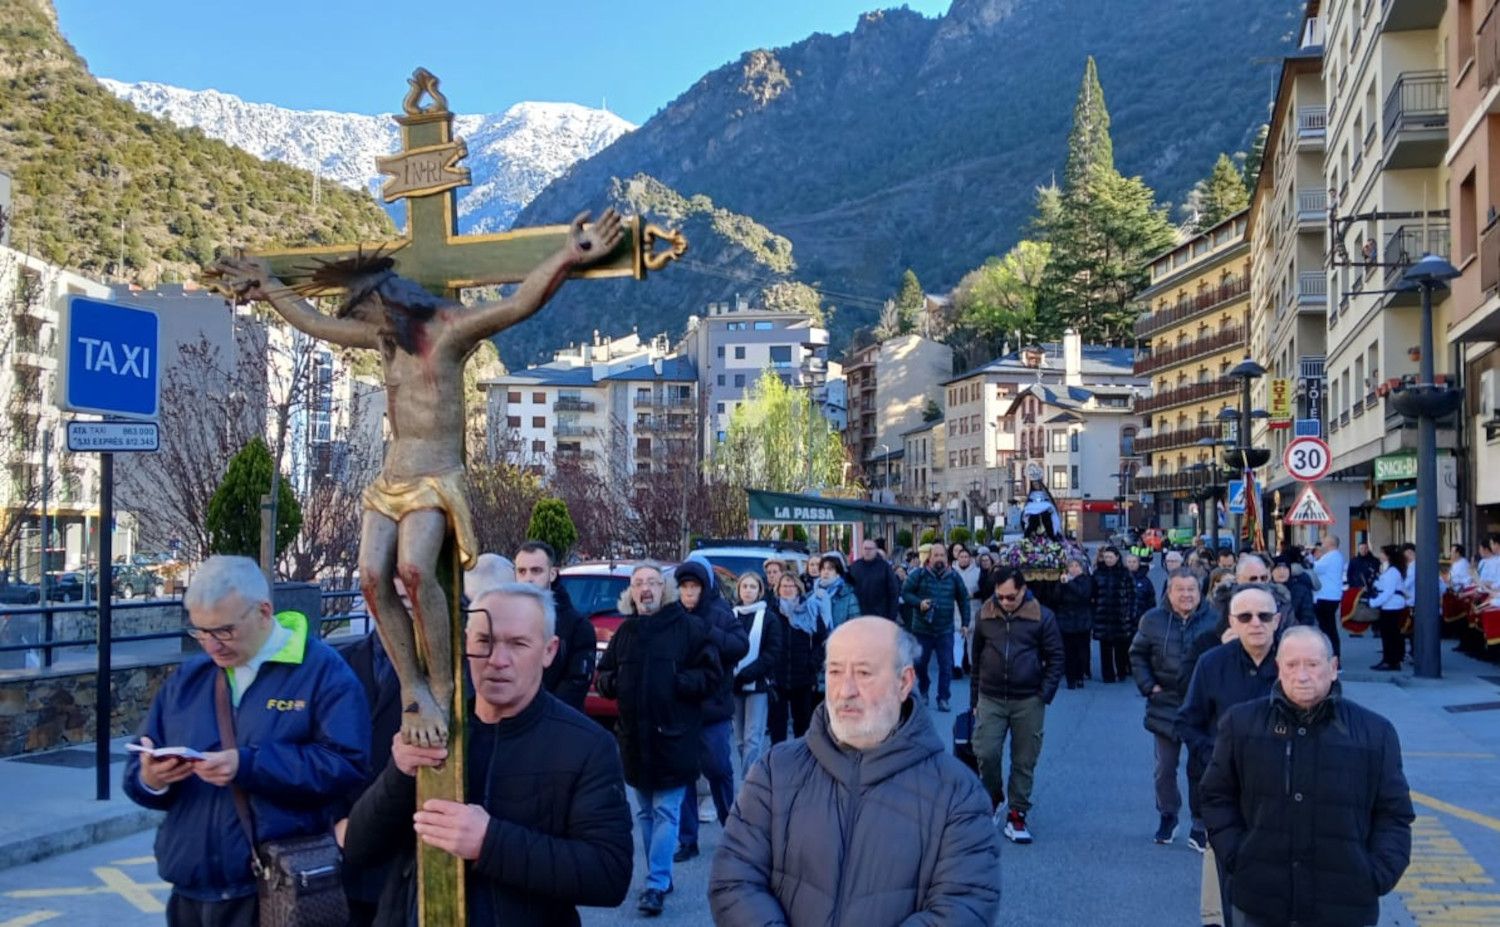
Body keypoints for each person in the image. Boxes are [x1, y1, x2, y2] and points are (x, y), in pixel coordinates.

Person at [209, 210, 624, 749]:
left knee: (412, 569)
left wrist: (569, 255)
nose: (366, 327)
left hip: (435, 477)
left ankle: (442, 681)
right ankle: (414, 687)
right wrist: (269, 287)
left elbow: (518, 303)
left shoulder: (449, 333)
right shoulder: (385, 340)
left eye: (370, 313)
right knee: (369, 579)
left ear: (390, 300)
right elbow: (316, 323)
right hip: (391, 479)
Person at [342, 584, 633, 926]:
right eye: (484, 641)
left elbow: (609, 874)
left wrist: (489, 841)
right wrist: (400, 773)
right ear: (466, 643)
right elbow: (359, 846)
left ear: (549, 651)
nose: (497, 660)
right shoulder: (432, 729)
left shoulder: (587, 746)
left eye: (518, 644)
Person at [124, 556, 370, 927]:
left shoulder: (323, 671)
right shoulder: (188, 680)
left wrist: (249, 765)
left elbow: (348, 765)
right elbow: (137, 770)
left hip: (272, 890)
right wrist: (152, 780)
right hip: (190, 891)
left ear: (264, 611)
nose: (211, 645)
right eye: (201, 632)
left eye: (224, 630)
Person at [709, 618, 1001, 927]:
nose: (845, 690)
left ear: (904, 683)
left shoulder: (958, 792)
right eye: (835, 671)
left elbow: (964, 903)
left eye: (863, 673)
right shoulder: (775, 771)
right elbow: (734, 878)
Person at [1201, 627, 1414, 927]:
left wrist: (1376, 874)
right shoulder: (1241, 724)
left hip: (1345, 907)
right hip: (1261, 901)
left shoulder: (1375, 732)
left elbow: (1394, 813)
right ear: (1279, 669)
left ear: (1333, 667)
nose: (1302, 675)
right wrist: (1239, 857)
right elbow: (1215, 796)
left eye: (1312, 665)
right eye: (1292, 665)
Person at [594, 564, 721, 917]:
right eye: (638, 583)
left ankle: (655, 883)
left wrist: (680, 683)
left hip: (674, 737)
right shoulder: (626, 632)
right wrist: (613, 685)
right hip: (635, 739)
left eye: (652, 582)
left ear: (663, 589)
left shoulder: (689, 627)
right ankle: (660, 877)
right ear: (630, 592)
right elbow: (604, 673)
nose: (645, 589)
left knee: (666, 810)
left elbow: (712, 674)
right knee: (646, 812)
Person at [1177, 583, 1283, 926]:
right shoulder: (1211, 663)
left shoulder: (1293, 663)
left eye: (1264, 616)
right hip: (1225, 785)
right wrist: (1217, 756)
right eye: (1246, 616)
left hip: (1283, 787)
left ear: (1277, 620)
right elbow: (1188, 721)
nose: (1256, 623)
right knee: (1224, 866)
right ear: (1232, 623)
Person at [970, 567, 1063, 844]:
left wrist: (1044, 694)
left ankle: (1017, 814)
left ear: (1023, 590)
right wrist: (974, 700)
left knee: (1024, 760)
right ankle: (993, 796)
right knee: (985, 752)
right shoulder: (985, 614)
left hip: (1028, 699)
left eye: (1011, 596)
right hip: (991, 696)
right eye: (1000, 597)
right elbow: (977, 659)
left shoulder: (1042, 616)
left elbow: (1056, 657)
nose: (1005, 602)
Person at [1129, 569, 1215, 847]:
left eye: (1192, 589)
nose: (1187, 595)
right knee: (1165, 768)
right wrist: (1148, 685)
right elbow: (1137, 654)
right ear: (1169, 591)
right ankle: (1168, 815)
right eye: (1181, 589)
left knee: (1201, 767)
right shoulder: (1152, 620)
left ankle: (1200, 823)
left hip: (1202, 706)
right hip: (1164, 703)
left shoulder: (1214, 620)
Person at [673, 559, 749, 863]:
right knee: (684, 776)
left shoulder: (720, 613)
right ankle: (687, 840)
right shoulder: (673, 616)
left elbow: (739, 645)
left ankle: (732, 833)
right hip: (681, 709)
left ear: (704, 588)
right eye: (684, 587)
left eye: (694, 587)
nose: (689, 593)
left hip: (714, 708)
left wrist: (709, 632)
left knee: (719, 770)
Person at [513, 541, 596, 712]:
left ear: (552, 574)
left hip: (557, 725)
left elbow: (576, 683)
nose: (528, 578)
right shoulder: (505, 620)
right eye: (521, 571)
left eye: (536, 570)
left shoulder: (577, 626)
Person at [901, 543, 972, 711]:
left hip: (945, 629)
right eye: (936, 555)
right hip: (922, 629)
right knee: (920, 665)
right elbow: (905, 592)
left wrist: (965, 623)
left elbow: (963, 599)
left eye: (942, 555)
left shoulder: (954, 577)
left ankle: (943, 698)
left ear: (947, 558)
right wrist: (919, 603)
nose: (939, 558)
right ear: (930, 558)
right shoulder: (918, 575)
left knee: (946, 665)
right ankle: (924, 689)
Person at [730, 572, 783, 777]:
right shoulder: (730, 615)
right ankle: (750, 776)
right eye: (745, 587)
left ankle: (748, 785)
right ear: (739, 590)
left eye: (753, 587)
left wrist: (748, 673)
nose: (748, 591)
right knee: (740, 739)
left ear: (760, 591)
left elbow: (772, 652)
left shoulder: (769, 617)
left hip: (758, 684)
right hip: (733, 685)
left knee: (753, 738)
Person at [767, 572, 828, 744]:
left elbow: (821, 641)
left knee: (803, 726)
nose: (787, 589)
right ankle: (777, 763)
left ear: (798, 588)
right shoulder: (771, 611)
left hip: (803, 676)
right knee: (777, 727)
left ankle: (801, 762)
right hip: (777, 677)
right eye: (784, 586)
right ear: (778, 589)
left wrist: (812, 664)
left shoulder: (809, 610)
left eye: (791, 586)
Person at [1091, 546, 1136, 683]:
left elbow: (1132, 595)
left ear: (1117, 557)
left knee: (1121, 647)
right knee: (1105, 648)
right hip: (1103, 615)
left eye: (1111, 557)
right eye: (1106, 557)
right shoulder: (1098, 573)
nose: (1108, 560)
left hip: (1120, 616)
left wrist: (1129, 613)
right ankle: (1108, 675)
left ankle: (1121, 671)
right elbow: (1093, 595)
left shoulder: (1125, 573)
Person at [1054, 557, 1095, 688]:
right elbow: (1056, 598)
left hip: (1082, 619)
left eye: (1076, 566)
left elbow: (1083, 594)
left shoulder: (1086, 580)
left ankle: (1080, 675)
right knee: (1068, 651)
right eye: (1071, 566)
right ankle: (1070, 678)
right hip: (1066, 619)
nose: (1074, 569)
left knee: (1081, 650)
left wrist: (1069, 583)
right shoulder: (1063, 581)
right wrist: (1060, 585)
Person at [1369, 545, 1409, 672]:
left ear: (1388, 556)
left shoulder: (1392, 571)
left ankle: (1391, 660)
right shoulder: (1390, 570)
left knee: (1390, 634)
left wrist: (1374, 602)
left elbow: (1388, 592)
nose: (1380, 556)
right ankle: (1390, 659)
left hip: (1392, 605)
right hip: (1390, 605)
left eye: (1382, 553)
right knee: (1390, 634)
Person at [848, 538, 902, 621]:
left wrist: (891, 616)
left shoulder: (884, 567)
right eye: (865, 548)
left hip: (880, 616)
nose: (867, 551)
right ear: (862, 550)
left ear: (876, 550)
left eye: (870, 549)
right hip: (858, 615)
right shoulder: (855, 567)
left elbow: (893, 592)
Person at [1311, 535, 1347, 658]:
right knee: (1327, 627)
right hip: (1329, 596)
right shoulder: (1334, 556)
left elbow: (1315, 568)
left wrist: (1310, 558)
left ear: (1330, 543)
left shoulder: (1331, 557)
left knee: (1328, 628)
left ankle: (1333, 656)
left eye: (1324, 542)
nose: (1322, 544)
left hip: (1326, 597)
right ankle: (1331, 655)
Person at [951, 543, 982, 678]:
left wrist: (973, 595)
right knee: (957, 640)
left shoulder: (978, 572)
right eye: (961, 556)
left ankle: (971, 665)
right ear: (957, 558)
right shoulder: (952, 572)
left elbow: (982, 589)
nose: (964, 559)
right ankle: (957, 666)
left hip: (974, 608)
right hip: (957, 611)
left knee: (972, 641)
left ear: (970, 558)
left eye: (966, 556)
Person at [814, 552, 862, 630]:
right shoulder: (812, 595)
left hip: (839, 640)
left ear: (838, 573)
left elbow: (855, 625)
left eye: (830, 569)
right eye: (823, 569)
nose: (826, 572)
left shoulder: (848, 596)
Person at [1271, 561, 1316, 628]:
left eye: (1285, 568)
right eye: (1278, 568)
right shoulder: (1266, 589)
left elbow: (1307, 616)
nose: (1281, 572)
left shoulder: (1301, 590)